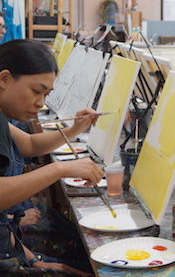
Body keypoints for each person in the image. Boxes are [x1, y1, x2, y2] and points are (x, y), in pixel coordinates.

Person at [0, 39, 104, 275]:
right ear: (4, 79)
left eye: (46, 94)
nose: (41, 103)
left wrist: (75, 129)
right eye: (36, 91)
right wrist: (60, 169)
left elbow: (29, 144)